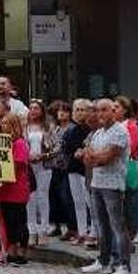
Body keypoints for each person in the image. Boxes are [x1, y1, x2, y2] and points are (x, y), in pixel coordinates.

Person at [79, 99, 132, 274]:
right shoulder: (98, 132)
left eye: (104, 110)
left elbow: (107, 158)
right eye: (97, 110)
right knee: (101, 225)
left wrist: (93, 156)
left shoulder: (120, 131)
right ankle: (103, 260)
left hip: (113, 184)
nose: (100, 114)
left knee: (118, 225)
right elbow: (87, 159)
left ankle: (123, 265)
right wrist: (93, 156)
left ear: (113, 111)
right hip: (97, 182)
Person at [0, 114, 31, 266]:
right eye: (2, 123)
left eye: (6, 123)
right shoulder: (2, 143)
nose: (3, 126)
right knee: (6, 222)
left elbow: (16, 166)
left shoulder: (19, 143)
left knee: (17, 221)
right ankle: (8, 251)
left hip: (15, 188)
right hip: (2, 190)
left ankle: (19, 252)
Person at [115, 95, 138, 244]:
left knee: (134, 198)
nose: (114, 110)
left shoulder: (132, 126)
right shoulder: (114, 125)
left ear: (125, 110)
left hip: (129, 164)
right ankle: (127, 229)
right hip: (117, 166)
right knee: (123, 201)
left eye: (118, 108)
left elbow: (131, 145)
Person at [63, 99, 94, 245]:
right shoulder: (71, 129)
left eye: (83, 110)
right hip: (73, 168)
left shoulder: (91, 129)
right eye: (77, 110)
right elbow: (67, 148)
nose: (79, 113)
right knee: (78, 202)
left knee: (90, 201)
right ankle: (81, 231)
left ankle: (93, 231)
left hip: (86, 169)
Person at [26, 100, 55, 246]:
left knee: (43, 197)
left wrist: (43, 156)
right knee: (30, 198)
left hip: (44, 165)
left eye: (36, 108)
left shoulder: (48, 127)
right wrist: (27, 156)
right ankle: (32, 231)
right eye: (31, 108)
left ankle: (43, 230)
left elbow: (56, 147)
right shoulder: (25, 127)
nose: (33, 111)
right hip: (28, 165)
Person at [47, 100, 76, 240]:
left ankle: (72, 227)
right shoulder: (55, 129)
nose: (62, 113)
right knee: (54, 196)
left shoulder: (72, 128)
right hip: (54, 166)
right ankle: (56, 224)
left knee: (67, 197)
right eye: (60, 111)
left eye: (65, 111)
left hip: (67, 166)